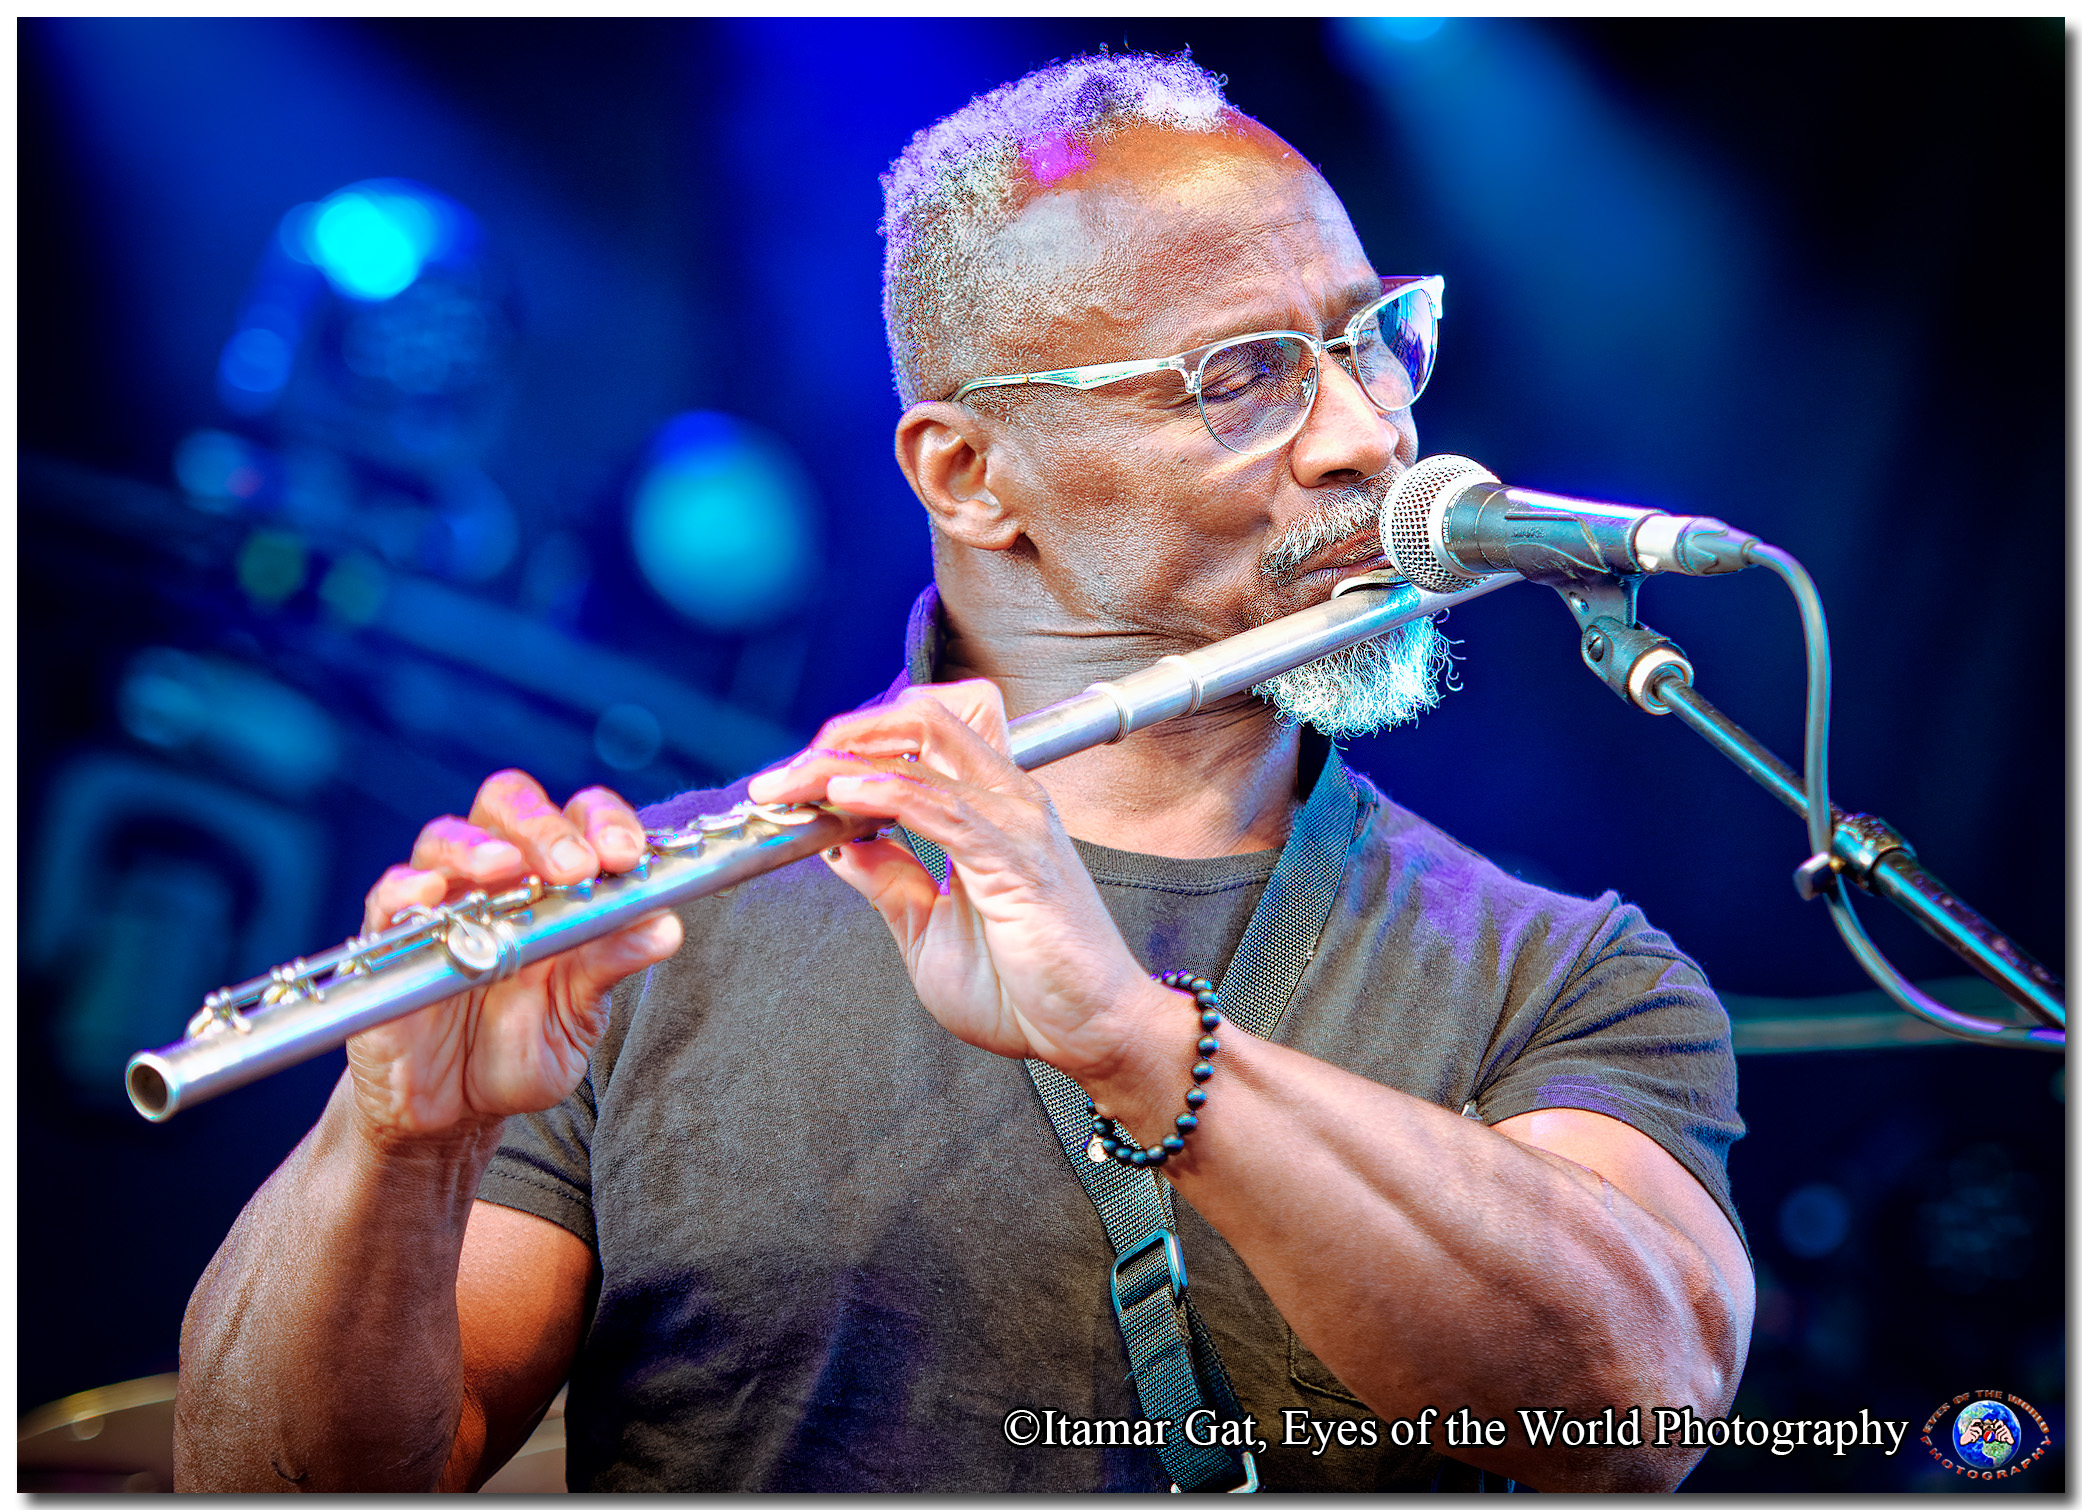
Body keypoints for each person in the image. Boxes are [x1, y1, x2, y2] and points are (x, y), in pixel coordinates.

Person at [173, 53, 1752, 1493]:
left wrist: (1137, 1041)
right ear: (970, 474)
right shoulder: (640, 932)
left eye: (1371, 340)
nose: (1366, 436)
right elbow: (275, 1484)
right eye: (1244, 374)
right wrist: (394, 1145)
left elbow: (1636, 1406)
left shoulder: (1559, 971)